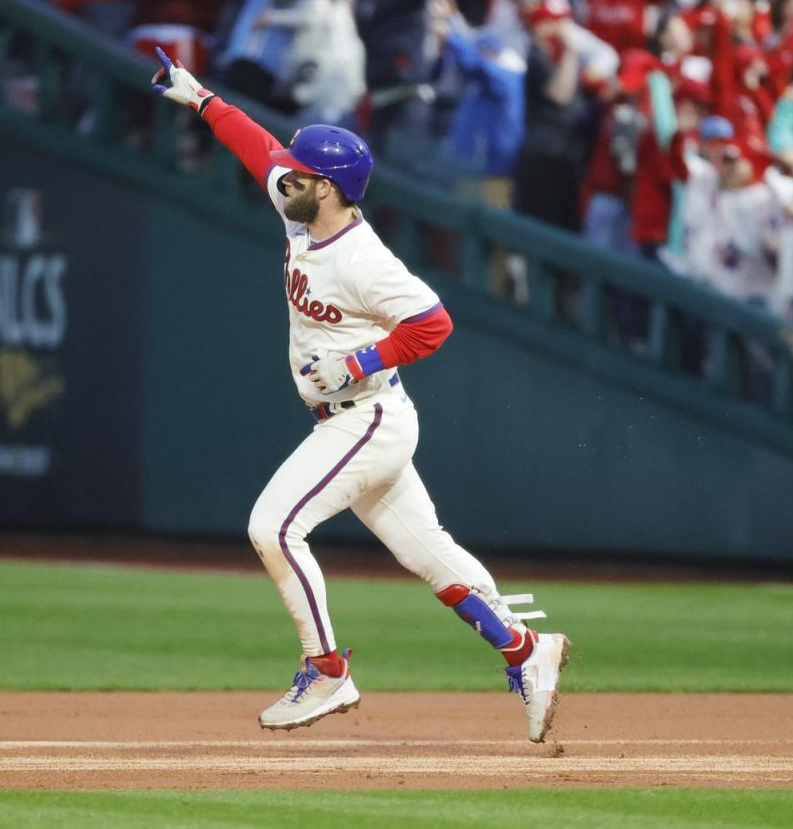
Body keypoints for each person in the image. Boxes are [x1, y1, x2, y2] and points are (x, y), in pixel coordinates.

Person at [149, 49, 571, 742]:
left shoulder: (363, 259)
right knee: (427, 553)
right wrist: (199, 98)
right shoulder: (302, 207)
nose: (288, 175)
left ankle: (327, 669)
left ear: (334, 188)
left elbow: (434, 322)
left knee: (274, 528)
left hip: (366, 417)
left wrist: (356, 364)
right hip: (361, 417)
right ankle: (529, 651)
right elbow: (259, 150)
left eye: (304, 173)